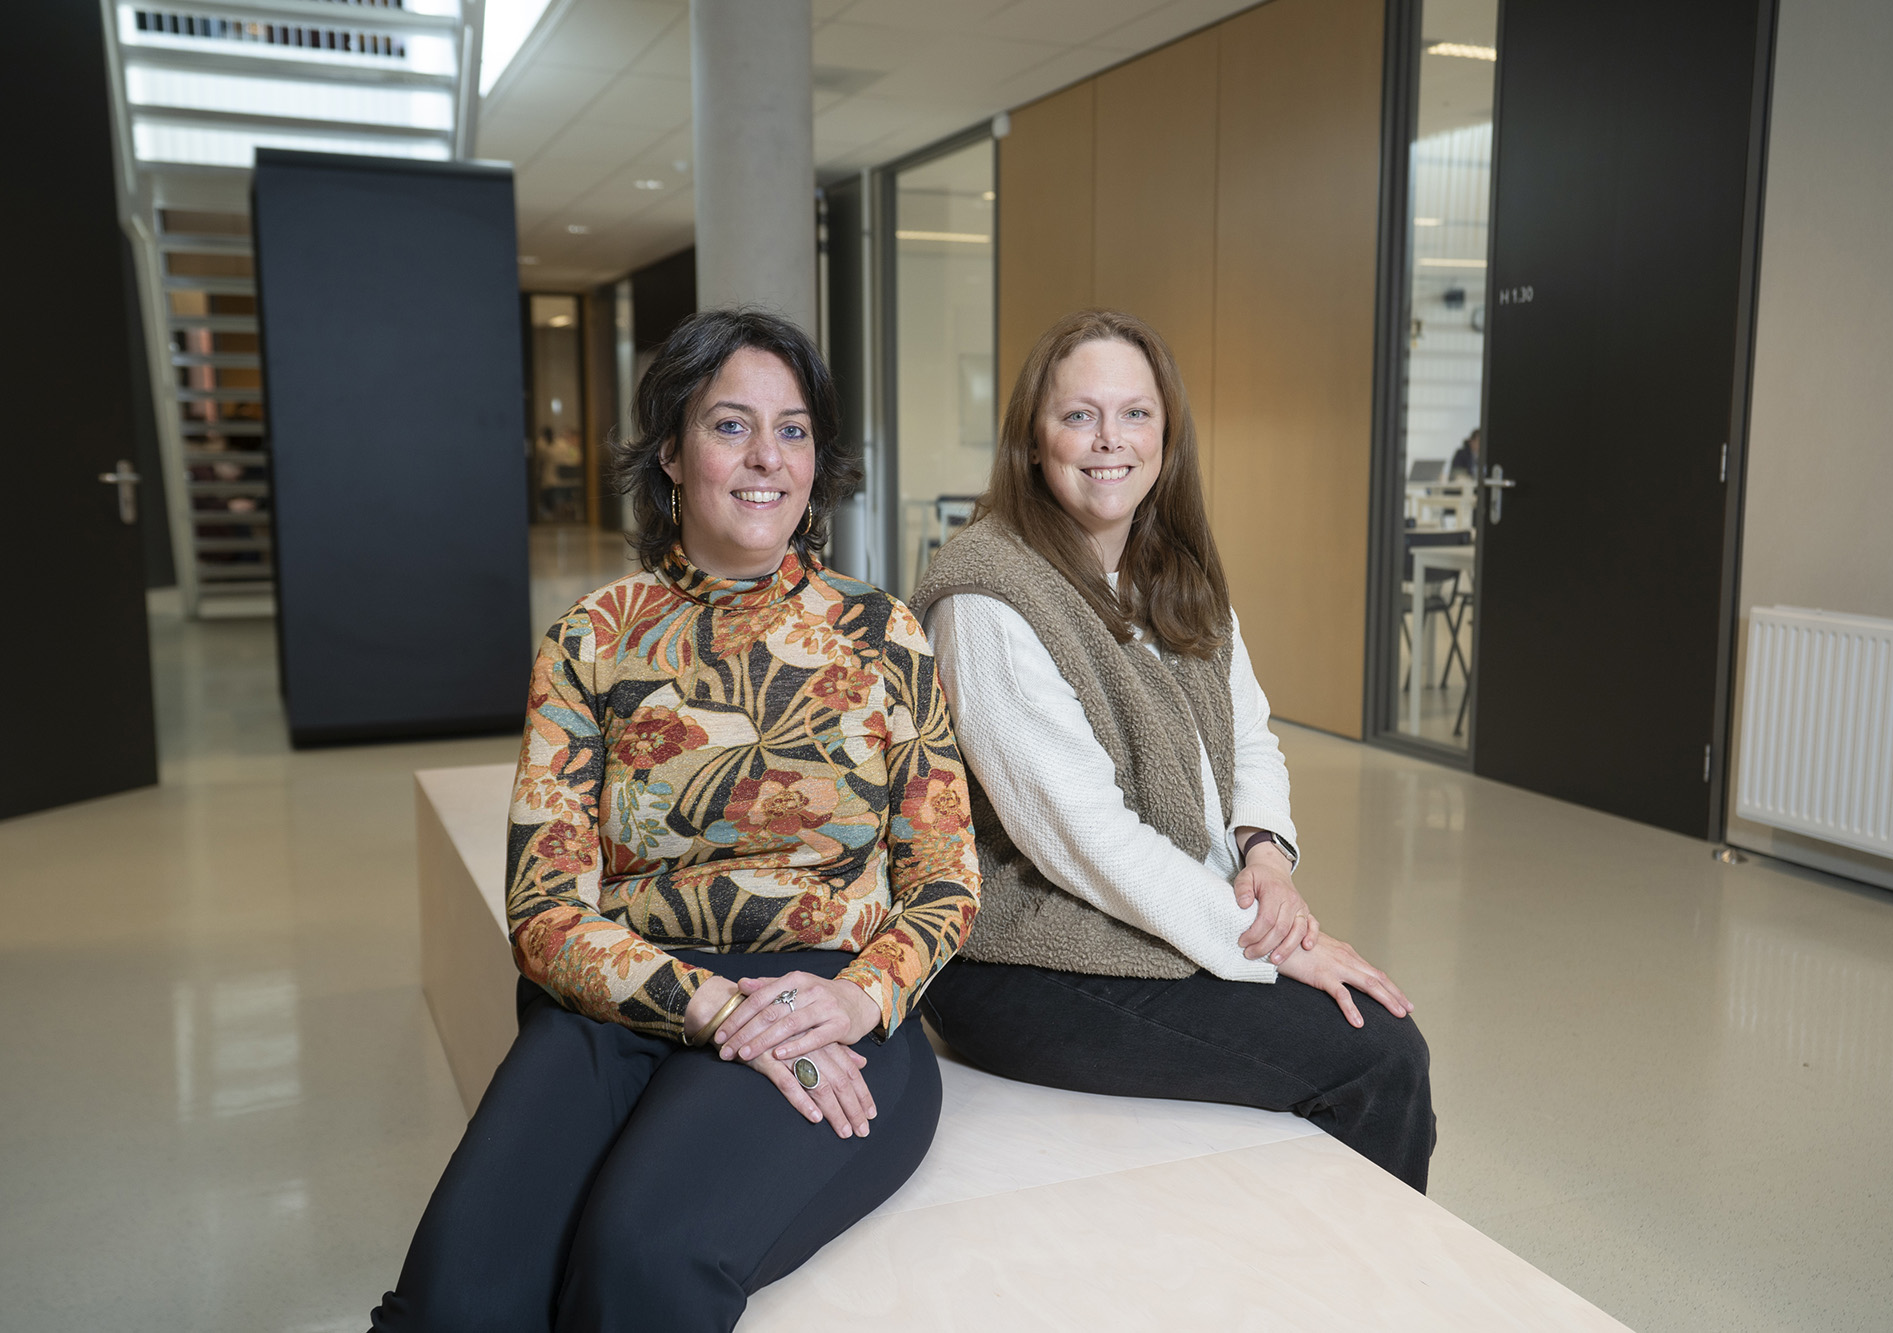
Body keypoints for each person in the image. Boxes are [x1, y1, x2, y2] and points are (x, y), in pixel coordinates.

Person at [372, 309, 981, 1332]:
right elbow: (544, 913)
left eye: (791, 431)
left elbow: (946, 878)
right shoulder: (591, 641)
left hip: (823, 1000)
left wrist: (859, 999)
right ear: (670, 450)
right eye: (728, 425)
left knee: (637, 1263)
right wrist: (705, 1004)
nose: (764, 460)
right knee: (458, 1297)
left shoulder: (882, 634)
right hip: (621, 995)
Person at [910, 309, 1434, 1192]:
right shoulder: (988, 597)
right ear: (1033, 440)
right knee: (1376, 1055)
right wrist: (1273, 947)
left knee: (1357, 1033)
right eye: (1079, 415)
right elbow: (1083, 837)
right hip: (1024, 959)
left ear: (1166, 434)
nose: (1109, 439)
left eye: (1136, 413)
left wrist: (1264, 851)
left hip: (1156, 907)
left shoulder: (1170, 568)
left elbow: (1249, 732)